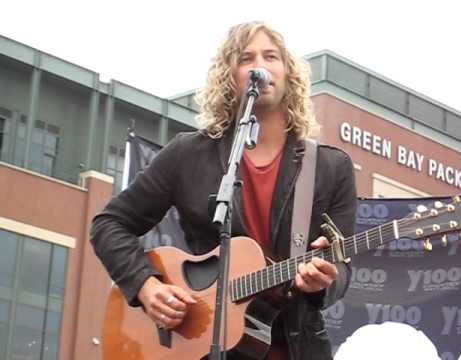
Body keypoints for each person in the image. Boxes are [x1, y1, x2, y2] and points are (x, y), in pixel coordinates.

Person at [90, 21, 357, 360]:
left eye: (271, 56)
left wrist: (325, 282)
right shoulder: (187, 155)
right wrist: (147, 286)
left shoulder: (330, 168)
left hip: (295, 349)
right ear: (229, 76)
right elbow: (109, 224)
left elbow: (343, 265)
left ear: (289, 74)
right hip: (199, 348)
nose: (259, 66)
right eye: (247, 58)